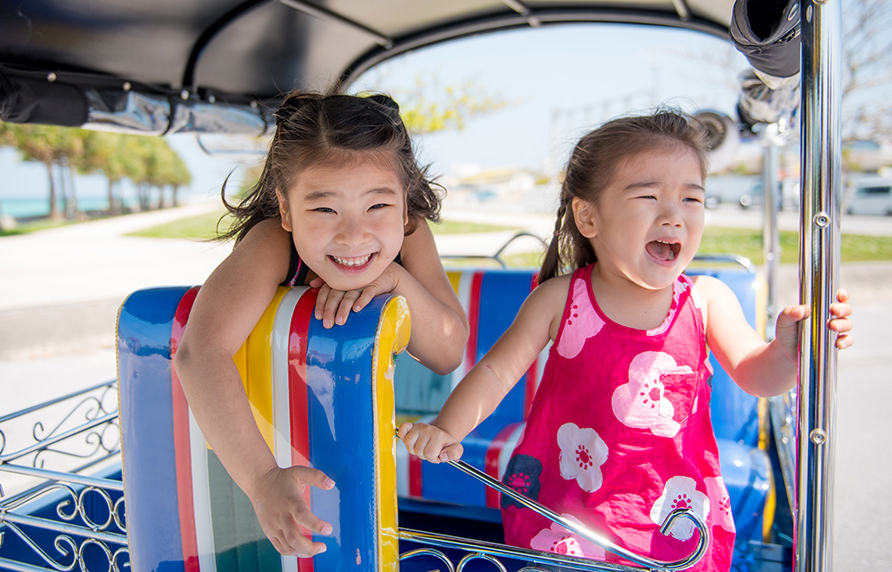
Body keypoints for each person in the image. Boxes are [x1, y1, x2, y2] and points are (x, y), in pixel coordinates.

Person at [398, 109, 853, 570]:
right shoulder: (560, 299)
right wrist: (446, 430)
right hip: (565, 513)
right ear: (589, 217)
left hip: (677, 517)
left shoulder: (706, 301)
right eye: (649, 196)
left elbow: (758, 375)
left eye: (692, 200)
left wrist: (789, 351)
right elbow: (495, 374)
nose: (674, 216)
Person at [175, 91, 469, 558]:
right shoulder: (273, 242)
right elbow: (199, 352)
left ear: (406, 205)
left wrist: (395, 278)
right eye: (324, 209)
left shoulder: (410, 236)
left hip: (358, 445)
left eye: (377, 207)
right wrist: (262, 480)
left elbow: (448, 350)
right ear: (287, 209)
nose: (354, 234)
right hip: (253, 450)